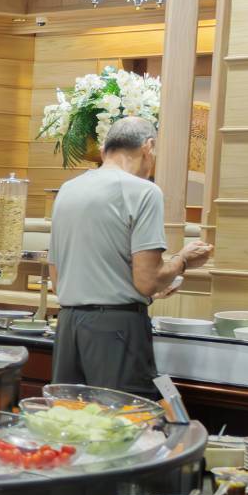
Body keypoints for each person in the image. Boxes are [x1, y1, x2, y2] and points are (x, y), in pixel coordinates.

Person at [49, 116, 213, 397]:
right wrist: (183, 260)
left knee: (70, 415)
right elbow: (147, 281)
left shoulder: (68, 189)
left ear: (105, 149)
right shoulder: (144, 191)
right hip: (117, 330)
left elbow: (56, 278)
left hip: (68, 327)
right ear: (148, 147)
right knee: (122, 416)